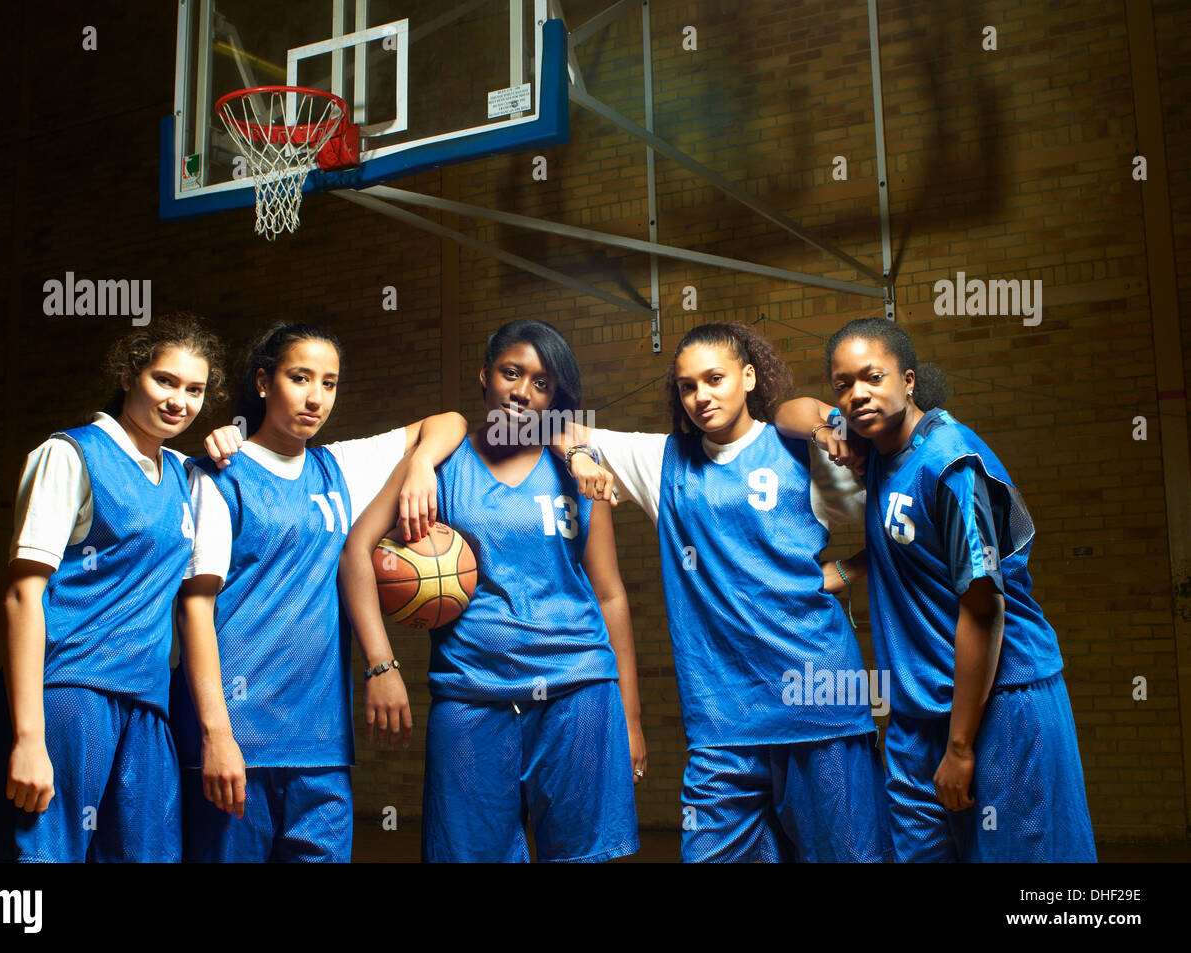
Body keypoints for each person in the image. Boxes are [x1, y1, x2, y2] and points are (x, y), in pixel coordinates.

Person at [554, 322, 893, 862]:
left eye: (714, 379)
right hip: (721, 725)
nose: (700, 396)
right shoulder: (664, 462)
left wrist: (844, 574)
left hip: (820, 705)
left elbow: (903, 522)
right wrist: (579, 459)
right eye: (687, 386)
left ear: (749, 377)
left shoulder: (803, 451)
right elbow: (560, 427)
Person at [340, 318, 644, 863]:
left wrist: (633, 719)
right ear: (486, 376)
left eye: (543, 383)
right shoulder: (439, 463)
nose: (523, 392)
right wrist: (381, 665)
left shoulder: (580, 467)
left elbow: (610, 594)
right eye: (512, 372)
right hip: (471, 692)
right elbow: (356, 553)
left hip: (579, 688)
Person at [174, 322, 467, 862]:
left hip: (321, 744)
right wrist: (216, 732)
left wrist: (421, 463)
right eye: (299, 377)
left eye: (329, 383)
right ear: (263, 382)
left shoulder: (339, 468)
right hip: (240, 738)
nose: (315, 397)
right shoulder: (218, 475)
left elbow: (448, 421)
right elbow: (195, 609)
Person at [808, 316, 1096, 862]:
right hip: (918, 713)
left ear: (908, 380)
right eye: (842, 384)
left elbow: (985, 608)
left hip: (996, 703)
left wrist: (961, 747)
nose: (856, 394)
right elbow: (791, 411)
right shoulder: (877, 450)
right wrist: (829, 427)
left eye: (872, 377)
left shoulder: (948, 462)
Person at [0, 313, 225, 862]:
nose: (179, 400)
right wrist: (28, 737)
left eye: (195, 389)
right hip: (70, 694)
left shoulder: (187, 474)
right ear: (129, 375)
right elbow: (20, 595)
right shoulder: (69, 455)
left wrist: (233, 436)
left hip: (147, 703)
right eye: (165, 381)